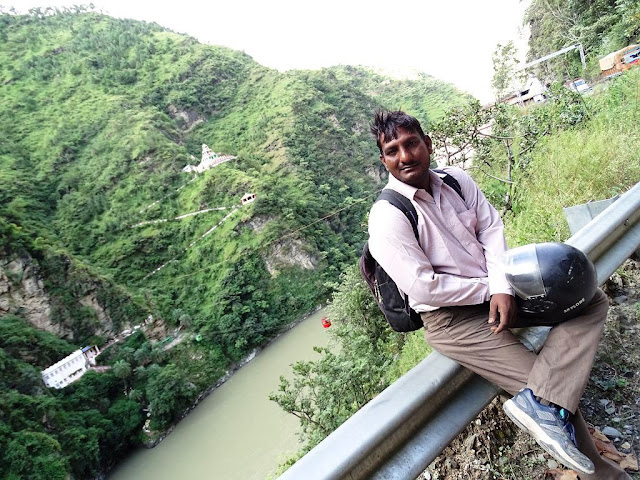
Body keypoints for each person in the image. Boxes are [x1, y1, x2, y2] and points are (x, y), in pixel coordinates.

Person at [366, 110, 630, 479]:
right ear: (384, 161)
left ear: (427, 144)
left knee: (587, 299)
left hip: (496, 289)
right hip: (451, 319)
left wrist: (502, 287)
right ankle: (600, 473)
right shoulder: (388, 216)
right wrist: (493, 289)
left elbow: (490, 229)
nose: (405, 156)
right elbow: (423, 286)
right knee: (539, 385)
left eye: (411, 143)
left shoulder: (455, 180)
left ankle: (547, 407)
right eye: (393, 150)